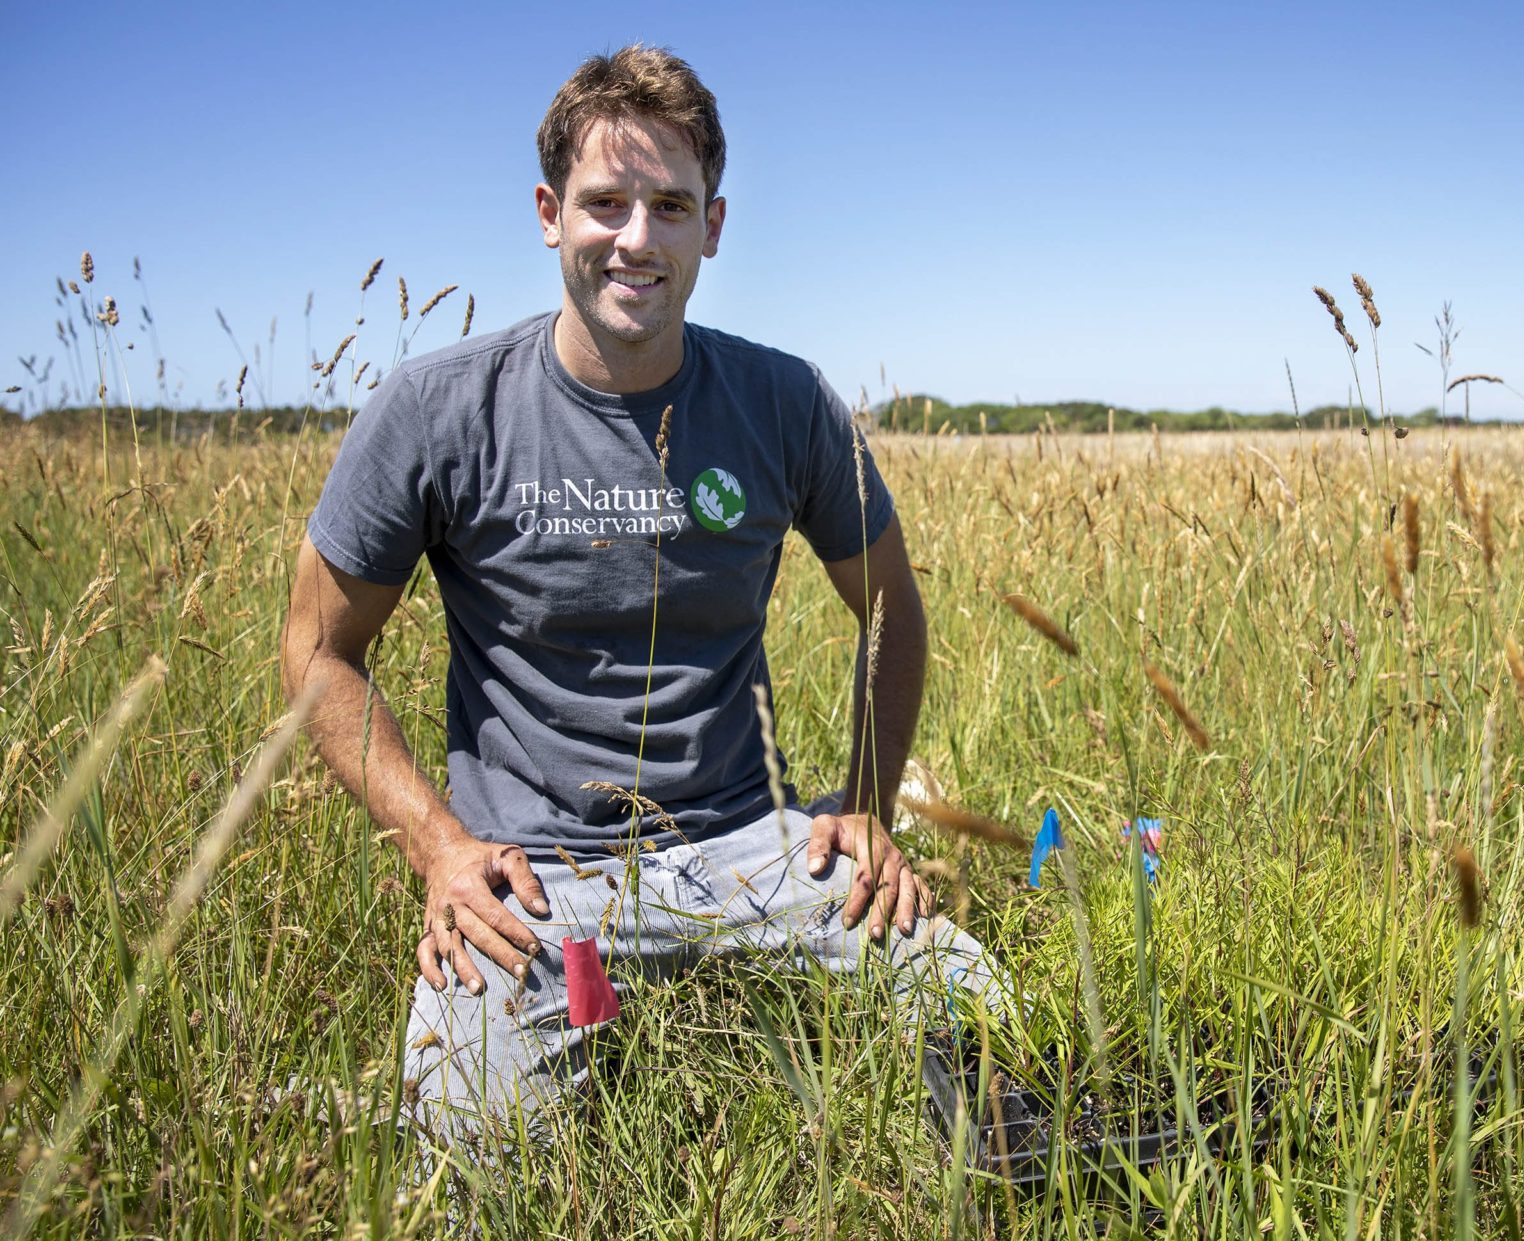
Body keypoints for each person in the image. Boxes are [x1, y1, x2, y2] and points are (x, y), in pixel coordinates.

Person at [279, 44, 1001, 1142]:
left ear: (713, 224)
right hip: (535, 877)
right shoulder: (438, 408)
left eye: (671, 205)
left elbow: (892, 606)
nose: (637, 238)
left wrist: (860, 801)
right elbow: (317, 649)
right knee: (487, 1150)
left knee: (990, 1029)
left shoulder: (783, 398)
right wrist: (439, 845)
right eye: (606, 202)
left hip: (757, 853)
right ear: (548, 213)